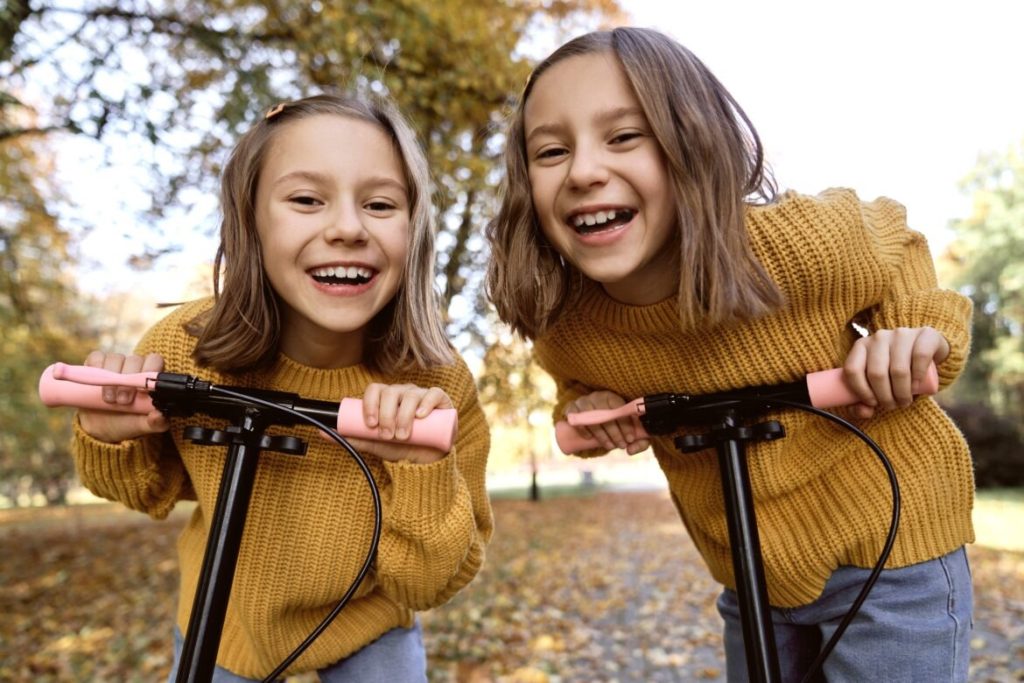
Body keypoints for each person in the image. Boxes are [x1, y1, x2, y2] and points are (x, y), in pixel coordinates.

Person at [485, 27, 973, 682]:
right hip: (752, 571)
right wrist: (591, 409)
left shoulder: (796, 248)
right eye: (550, 151)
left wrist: (915, 333)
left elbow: (900, 244)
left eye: (624, 136)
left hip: (893, 548)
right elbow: (577, 384)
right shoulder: (571, 325)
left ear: (693, 144)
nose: (583, 171)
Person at [72, 94, 492, 682]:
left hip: (366, 623)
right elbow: (146, 490)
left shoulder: (436, 384)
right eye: (305, 200)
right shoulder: (186, 349)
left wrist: (423, 471)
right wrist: (108, 435)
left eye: (378, 204)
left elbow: (430, 582)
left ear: (413, 229)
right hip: (225, 622)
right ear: (250, 222)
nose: (347, 227)